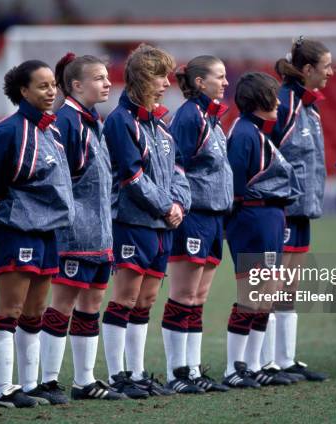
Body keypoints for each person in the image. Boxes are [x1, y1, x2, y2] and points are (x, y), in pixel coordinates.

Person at [0, 60, 74, 408]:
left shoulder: (52, 131)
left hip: (49, 233)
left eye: (53, 85)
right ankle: (5, 389)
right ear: (23, 91)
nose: (51, 92)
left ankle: (30, 385)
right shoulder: (6, 132)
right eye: (43, 86)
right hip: (18, 231)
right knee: (11, 308)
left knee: (36, 310)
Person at [101, 44, 191, 399]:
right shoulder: (120, 122)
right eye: (160, 76)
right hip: (132, 222)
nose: (167, 83)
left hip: (160, 225)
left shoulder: (161, 126)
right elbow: (130, 176)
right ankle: (116, 375)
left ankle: (137, 373)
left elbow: (179, 171)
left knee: (147, 299)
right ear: (139, 79)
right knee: (125, 297)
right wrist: (165, 206)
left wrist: (179, 204)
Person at [37, 52, 124, 402]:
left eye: (106, 77)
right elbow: (60, 181)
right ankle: (47, 380)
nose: (107, 83)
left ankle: (84, 381)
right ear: (76, 85)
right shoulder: (66, 121)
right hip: (74, 234)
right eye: (99, 78)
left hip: (99, 234)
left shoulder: (92, 120)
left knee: (92, 302)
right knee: (63, 303)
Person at [260, 36, 332, 383]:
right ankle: (265, 363)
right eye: (326, 67)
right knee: (269, 286)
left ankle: (285, 359)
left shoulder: (309, 106)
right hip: (281, 209)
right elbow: (262, 153)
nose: (331, 73)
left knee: (290, 286)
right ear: (307, 69)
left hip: (303, 209)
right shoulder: (283, 103)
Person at [223, 71, 300, 388]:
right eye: (273, 97)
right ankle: (233, 367)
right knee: (251, 294)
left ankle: (253, 364)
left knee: (267, 294)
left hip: (267, 219)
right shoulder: (243, 134)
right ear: (259, 102)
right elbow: (236, 187)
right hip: (252, 220)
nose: (279, 104)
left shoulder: (255, 131)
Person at [162, 55, 233, 393]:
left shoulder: (211, 117)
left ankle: (192, 370)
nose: (225, 82)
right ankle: (177, 373)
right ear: (200, 83)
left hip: (214, 216)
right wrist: (178, 204)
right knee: (183, 294)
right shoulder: (190, 116)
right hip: (194, 216)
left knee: (199, 296)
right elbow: (175, 166)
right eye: (219, 77)